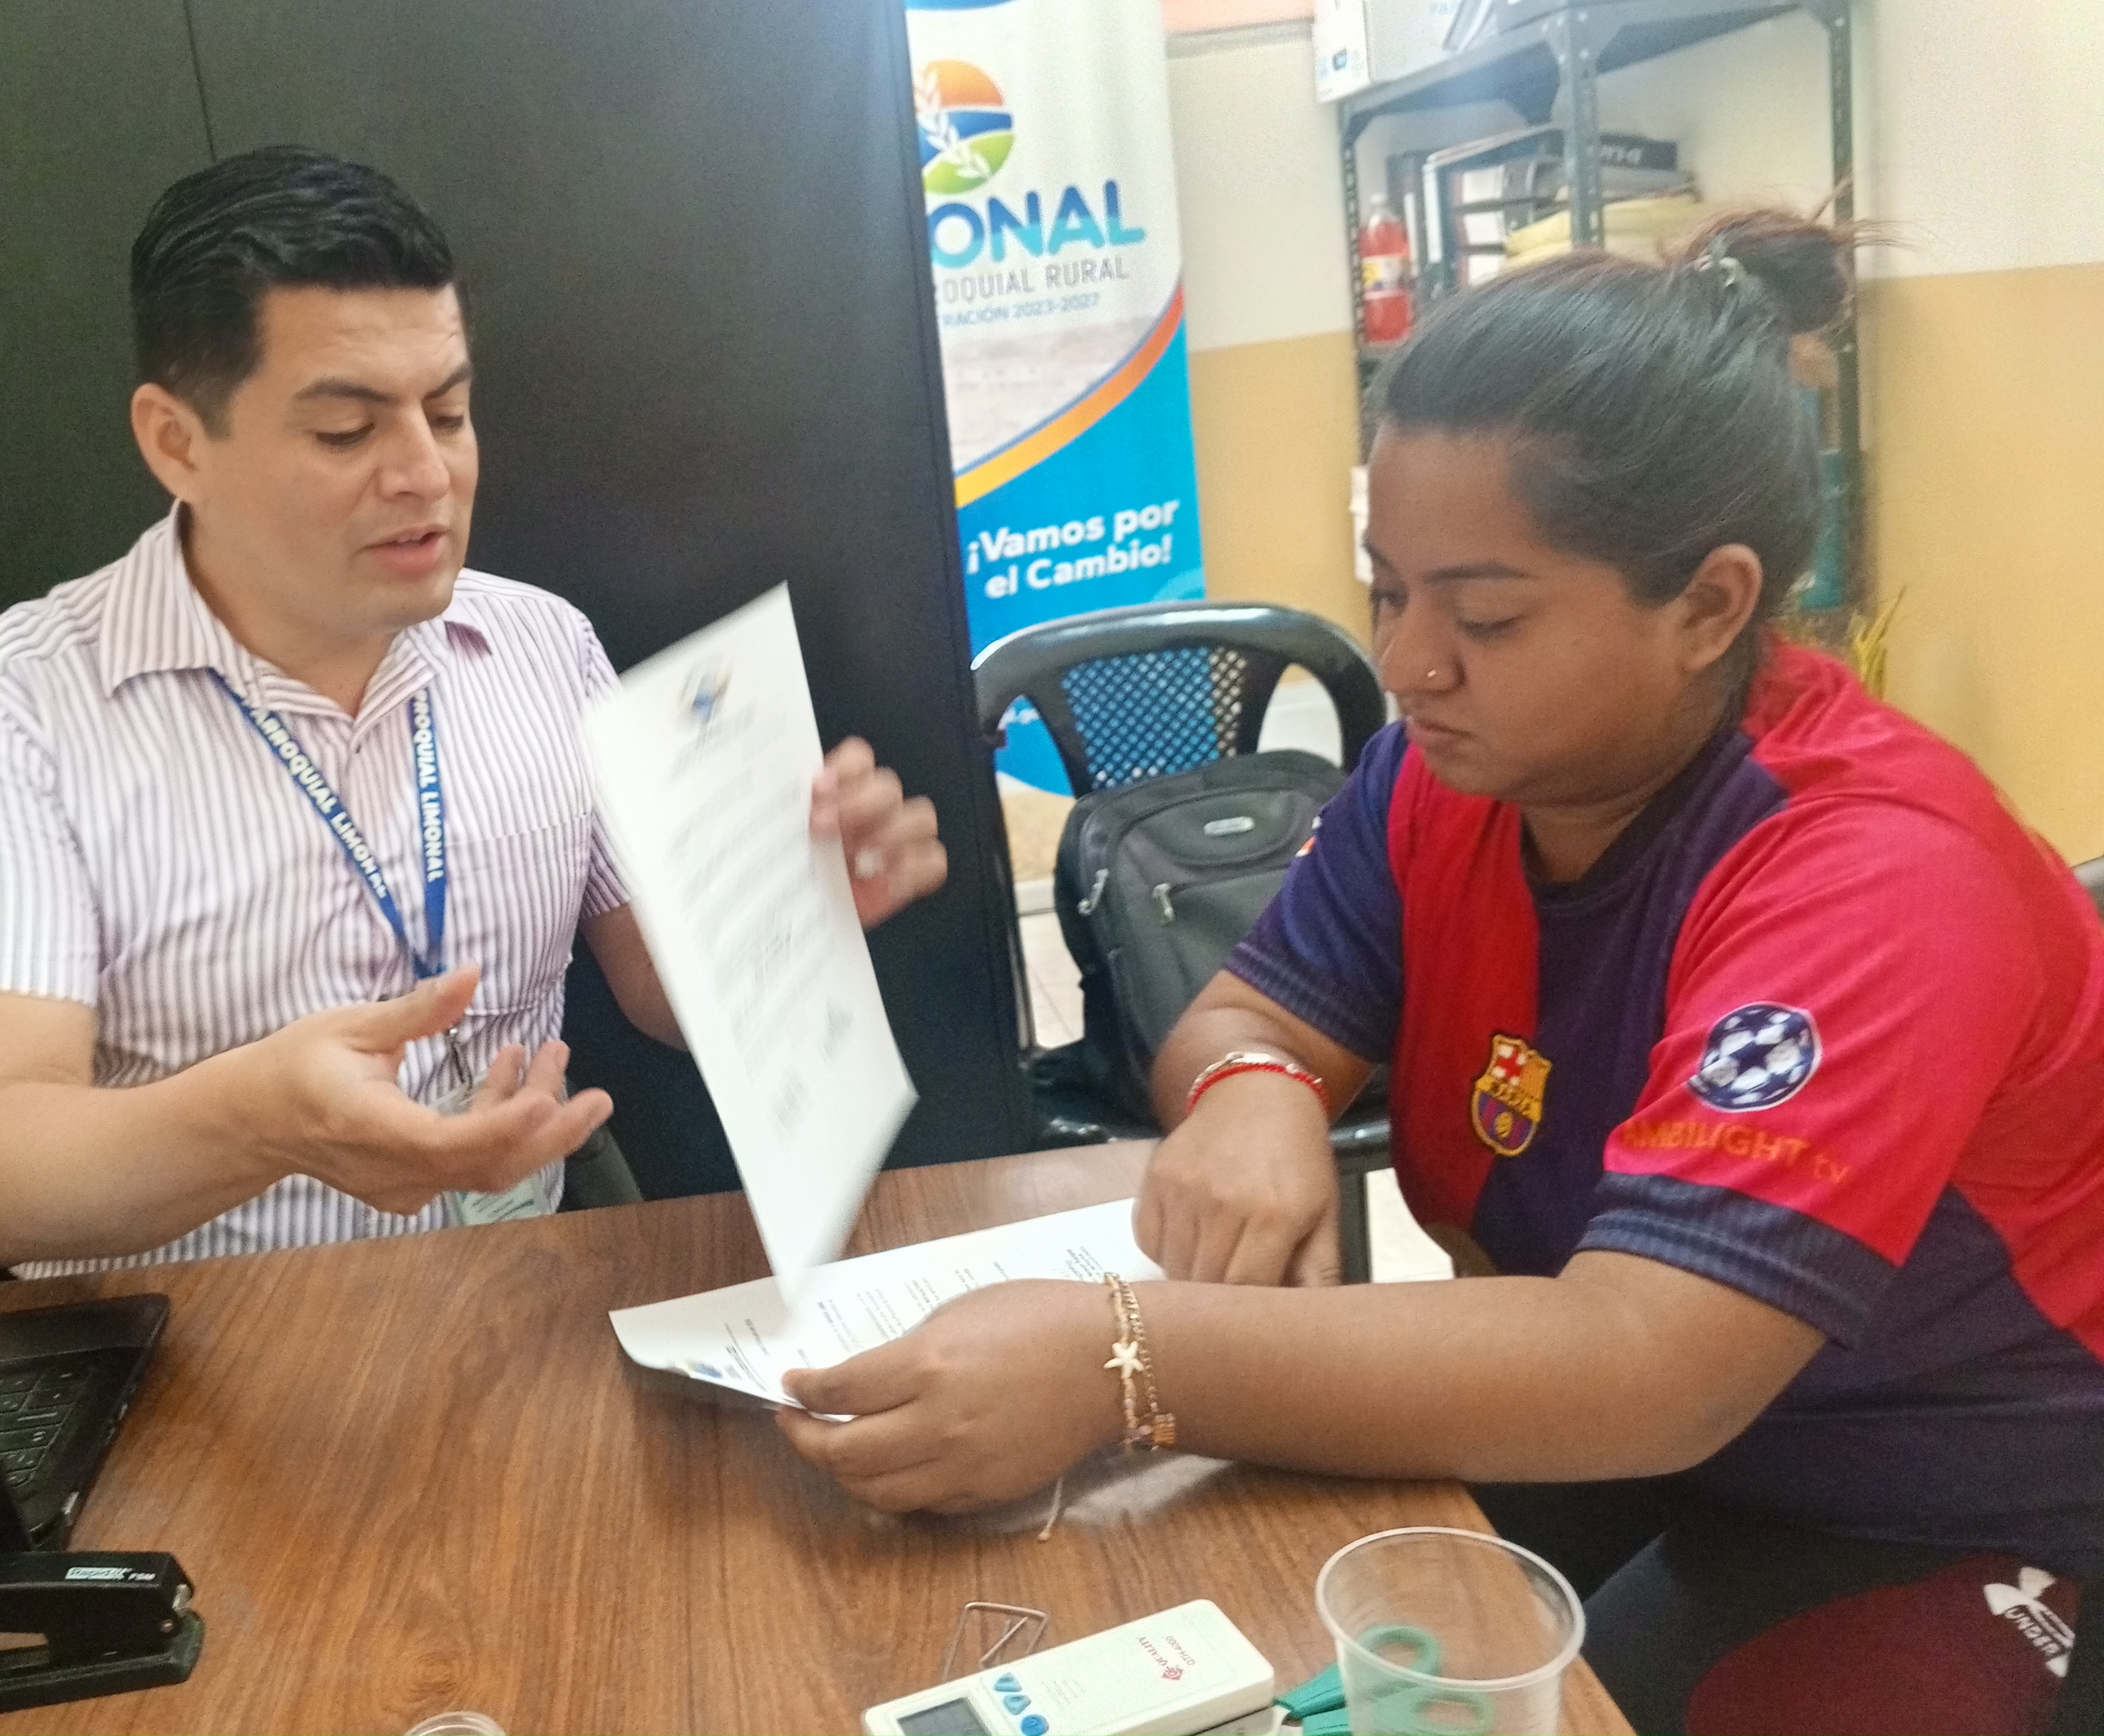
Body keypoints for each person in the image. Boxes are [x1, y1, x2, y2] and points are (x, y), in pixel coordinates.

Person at [778, 213, 2104, 1734]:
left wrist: (1117, 1358)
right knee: (1227, 1643)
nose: (1408, 666)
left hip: (1944, 1498)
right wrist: (1255, 1092)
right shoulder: (1446, 781)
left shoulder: (1873, 877)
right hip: (1647, 1447)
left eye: (1484, 616)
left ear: (1709, 608)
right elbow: (1250, 1015)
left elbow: (1651, 1363)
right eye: (1387, 592)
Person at [0, 146, 946, 1275]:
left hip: (517, 1297)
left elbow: (661, 989)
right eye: (347, 431)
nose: (426, 473)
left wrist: (788, 909)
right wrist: (260, 1122)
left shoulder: (540, 645)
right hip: (190, 1336)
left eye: (450, 412)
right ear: (178, 443)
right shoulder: (6, 710)